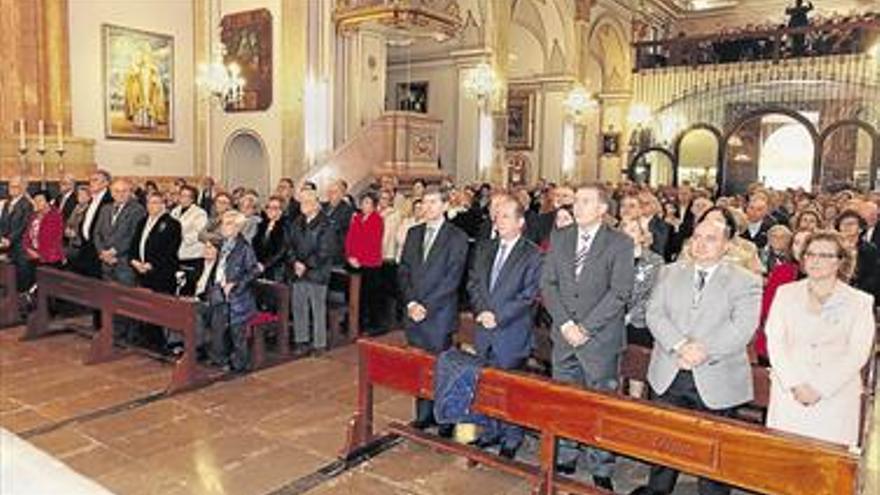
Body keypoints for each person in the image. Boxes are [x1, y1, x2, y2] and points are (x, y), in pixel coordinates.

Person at [631, 215, 762, 495]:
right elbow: (655, 313)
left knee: (712, 452)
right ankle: (658, 490)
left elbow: (742, 328)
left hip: (716, 374)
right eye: (697, 237)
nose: (701, 244)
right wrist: (679, 345)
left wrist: (702, 351)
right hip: (670, 368)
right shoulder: (669, 272)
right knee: (665, 444)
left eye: (711, 239)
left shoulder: (745, 281)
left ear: (727, 245)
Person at [540, 183, 634, 491]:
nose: (576, 207)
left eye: (585, 201)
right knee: (565, 398)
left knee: (600, 403)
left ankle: (600, 462)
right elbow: (548, 284)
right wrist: (566, 323)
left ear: (603, 209)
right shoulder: (561, 237)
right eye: (575, 201)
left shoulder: (619, 243)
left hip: (600, 340)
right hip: (565, 335)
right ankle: (566, 452)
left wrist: (586, 328)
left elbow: (620, 293)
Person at [765, 230, 875, 447]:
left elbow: (857, 352)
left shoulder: (859, 301)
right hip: (790, 393)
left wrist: (821, 387)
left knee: (828, 469)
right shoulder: (785, 294)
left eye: (825, 256)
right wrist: (795, 384)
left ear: (840, 262)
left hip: (835, 395)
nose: (815, 261)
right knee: (784, 461)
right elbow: (775, 341)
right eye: (810, 254)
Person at [466, 196, 542, 459]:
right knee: (485, 385)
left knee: (510, 389)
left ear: (520, 222)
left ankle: (512, 437)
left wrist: (498, 315)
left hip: (511, 331)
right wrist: (482, 311)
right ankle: (489, 431)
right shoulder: (485, 247)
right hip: (485, 328)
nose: (498, 221)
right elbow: (473, 282)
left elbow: (529, 294)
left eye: (505, 216)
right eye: (497, 216)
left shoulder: (531, 253)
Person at [398, 185, 469, 435]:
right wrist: (411, 303)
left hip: (438, 314)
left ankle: (445, 418)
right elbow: (404, 270)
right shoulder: (414, 233)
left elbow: (452, 279)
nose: (427, 208)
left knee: (441, 367)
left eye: (433, 203)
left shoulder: (456, 237)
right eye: (425, 203)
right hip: (414, 311)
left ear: (445, 206)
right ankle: (423, 414)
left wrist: (426, 306)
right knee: (419, 366)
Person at [94, 179, 146, 340]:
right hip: (106, 262)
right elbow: (97, 233)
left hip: (124, 263)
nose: (120, 194)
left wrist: (114, 252)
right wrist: (102, 252)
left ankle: (129, 334)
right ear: (111, 192)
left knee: (126, 299)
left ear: (130, 192)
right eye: (116, 191)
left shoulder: (137, 210)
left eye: (124, 191)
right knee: (110, 298)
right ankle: (113, 330)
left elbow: (133, 236)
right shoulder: (105, 208)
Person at [288, 189, 337, 355]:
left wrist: (305, 265)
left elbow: (325, 251)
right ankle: (301, 341)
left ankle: (319, 344)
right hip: (298, 271)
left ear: (317, 204)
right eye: (302, 202)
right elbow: (290, 245)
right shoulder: (297, 222)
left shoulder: (326, 224)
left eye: (307, 202)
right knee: (299, 307)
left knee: (317, 309)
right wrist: (295, 262)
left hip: (317, 272)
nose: (303, 205)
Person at [210, 210, 260, 372]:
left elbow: (253, 271)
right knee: (219, 327)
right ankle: (220, 359)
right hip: (219, 292)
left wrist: (236, 284)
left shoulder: (244, 247)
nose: (222, 227)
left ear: (236, 227)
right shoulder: (223, 244)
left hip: (238, 297)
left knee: (237, 333)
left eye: (226, 224)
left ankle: (240, 364)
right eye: (223, 223)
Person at [131, 192, 182, 350]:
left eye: (156, 202)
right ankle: (147, 338)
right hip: (141, 270)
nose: (152, 206)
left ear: (163, 204)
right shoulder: (142, 221)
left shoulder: (172, 223)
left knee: (160, 307)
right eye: (149, 202)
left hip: (161, 273)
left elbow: (169, 250)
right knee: (145, 305)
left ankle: (162, 341)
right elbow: (134, 244)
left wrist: (152, 265)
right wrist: (134, 261)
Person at [754, 229, 811, 364]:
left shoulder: (825, 275)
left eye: (807, 243)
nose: (801, 248)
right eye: (797, 243)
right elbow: (766, 308)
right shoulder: (782, 271)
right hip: (777, 339)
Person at [345, 192, 385, 335]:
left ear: (374, 206)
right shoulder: (357, 219)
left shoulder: (377, 220)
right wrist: (350, 256)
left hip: (370, 263)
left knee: (370, 296)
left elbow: (372, 242)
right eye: (363, 202)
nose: (364, 205)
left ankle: (373, 325)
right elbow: (350, 239)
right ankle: (357, 323)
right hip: (354, 263)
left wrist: (359, 259)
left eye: (368, 203)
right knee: (357, 295)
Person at [620, 217, 664, 348]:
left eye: (633, 230)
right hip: (612, 323)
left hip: (640, 323)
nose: (627, 235)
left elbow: (653, 295)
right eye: (624, 231)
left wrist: (630, 317)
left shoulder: (655, 261)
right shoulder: (612, 259)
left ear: (642, 236)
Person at [21, 190, 64, 291]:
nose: (37, 203)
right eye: (35, 201)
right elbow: (26, 236)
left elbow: (52, 240)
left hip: (49, 258)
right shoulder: (34, 215)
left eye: (40, 200)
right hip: (33, 256)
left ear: (48, 202)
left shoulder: (55, 216)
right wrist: (28, 249)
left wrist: (40, 255)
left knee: (46, 289)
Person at [170, 185, 208, 296]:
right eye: (182, 195)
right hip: (177, 254)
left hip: (192, 255)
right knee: (178, 288)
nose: (184, 198)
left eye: (187, 196)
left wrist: (180, 235)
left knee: (188, 288)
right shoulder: (175, 211)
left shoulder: (200, 213)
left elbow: (199, 233)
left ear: (193, 199)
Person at [836, 209, 880, 302]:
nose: (847, 227)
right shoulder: (833, 248)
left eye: (851, 224)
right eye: (843, 224)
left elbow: (873, 276)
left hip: (862, 296)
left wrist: (854, 292)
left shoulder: (870, 250)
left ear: (860, 228)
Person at [0, 176, 35, 292]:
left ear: (22, 188)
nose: (11, 189)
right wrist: (2, 238)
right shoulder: (7, 203)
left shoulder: (27, 204)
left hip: (20, 244)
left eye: (14, 186)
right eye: (10, 186)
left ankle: (23, 296)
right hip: (6, 244)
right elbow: (3, 223)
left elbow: (23, 226)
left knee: (21, 271)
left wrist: (10, 239)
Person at [252, 196, 288, 282]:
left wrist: (265, 265)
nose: (270, 210)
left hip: (276, 271)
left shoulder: (285, 226)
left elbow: (282, 251)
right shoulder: (262, 225)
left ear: (281, 211)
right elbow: (255, 244)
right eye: (268, 207)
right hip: (259, 269)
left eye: (274, 208)